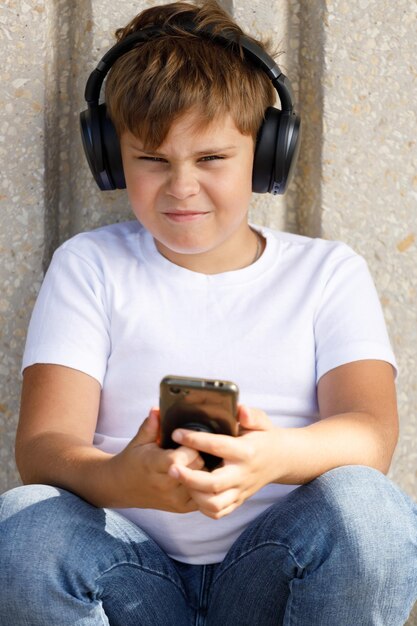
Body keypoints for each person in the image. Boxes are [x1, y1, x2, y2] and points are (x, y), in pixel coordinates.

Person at [0, 1, 416, 624]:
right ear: (112, 159)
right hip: (130, 572)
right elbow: (42, 449)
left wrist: (272, 458)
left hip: (274, 572)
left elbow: (370, 433)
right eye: (153, 160)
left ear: (267, 155)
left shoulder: (328, 272)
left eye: (211, 159)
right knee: (25, 527)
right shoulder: (90, 265)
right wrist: (124, 478)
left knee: (370, 510)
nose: (182, 187)